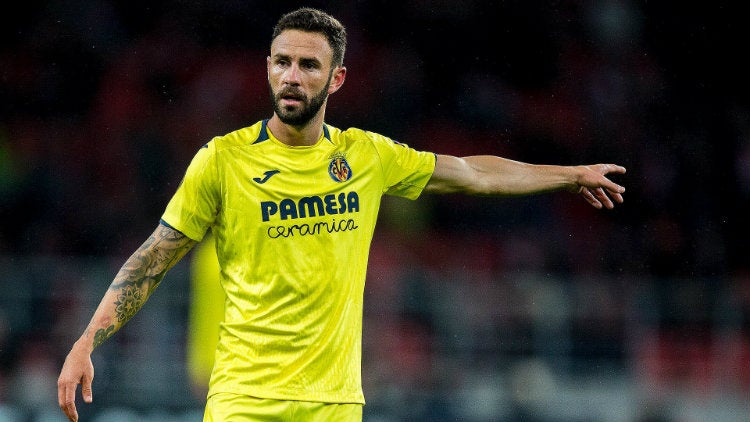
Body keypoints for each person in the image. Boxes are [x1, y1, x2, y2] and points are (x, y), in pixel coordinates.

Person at [57, 7, 626, 422]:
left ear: (338, 78)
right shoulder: (222, 160)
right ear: (268, 69)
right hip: (243, 402)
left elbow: (472, 173)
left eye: (308, 64)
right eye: (282, 62)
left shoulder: (368, 156)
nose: (292, 76)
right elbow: (154, 256)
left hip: (335, 405)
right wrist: (86, 341)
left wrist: (569, 175)